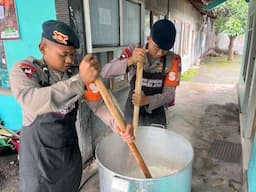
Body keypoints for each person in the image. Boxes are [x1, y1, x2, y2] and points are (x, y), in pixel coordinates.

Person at [9, 20, 134, 192]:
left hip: (69, 159)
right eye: (63, 54)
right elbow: (32, 101)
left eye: (73, 54)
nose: (69, 60)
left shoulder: (74, 74)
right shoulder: (26, 70)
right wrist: (80, 80)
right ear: (42, 47)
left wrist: (119, 126)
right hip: (39, 167)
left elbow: (98, 105)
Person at [101, 19, 181, 127]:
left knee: (156, 142)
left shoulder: (173, 60)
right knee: (130, 139)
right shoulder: (133, 51)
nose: (160, 53)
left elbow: (169, 94)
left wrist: (148, 100)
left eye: (165, 50)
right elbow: (105, 72)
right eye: (157, 48)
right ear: (149, 39)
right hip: (132, 110)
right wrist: (131, 60)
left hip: (156, 111)